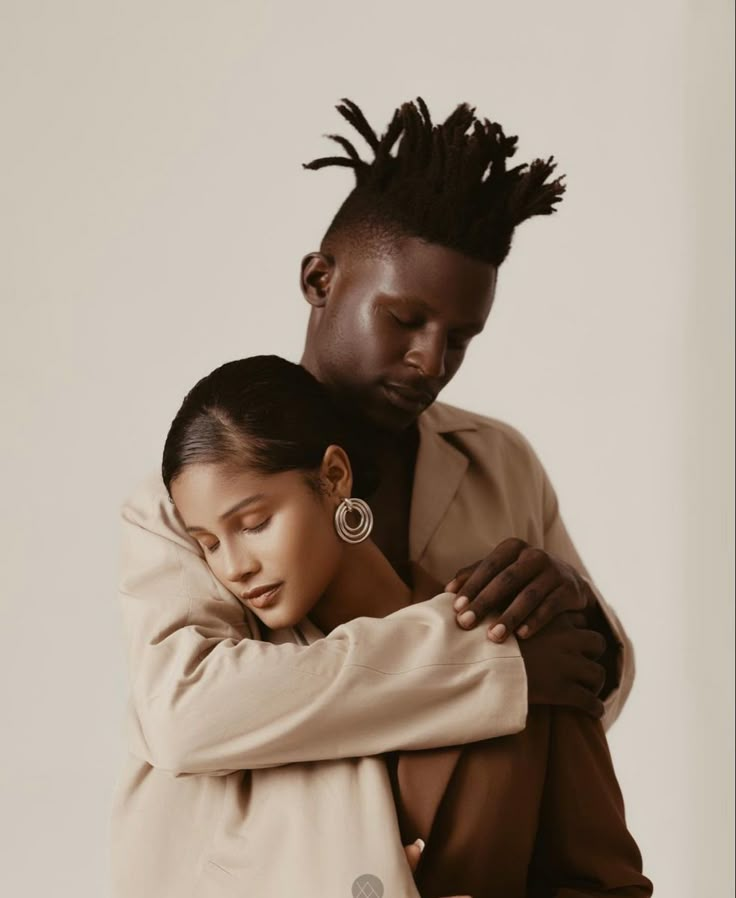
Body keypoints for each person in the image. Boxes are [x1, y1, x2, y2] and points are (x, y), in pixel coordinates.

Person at [109, 97, 637, 896]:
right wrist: (480, 657)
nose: (431, 360)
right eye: (405, 318)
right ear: (320, 280)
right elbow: (185, 713)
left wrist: (578, 617)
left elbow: (581, 693)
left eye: (460, 337)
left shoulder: (498, 462)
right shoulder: (186, 497)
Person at [122, 354, 650, 897]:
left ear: (333, 478)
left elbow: (607, 885)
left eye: (254, 524)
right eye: (207, 543)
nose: (235, 566)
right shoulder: (216, 694)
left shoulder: (523, 647)